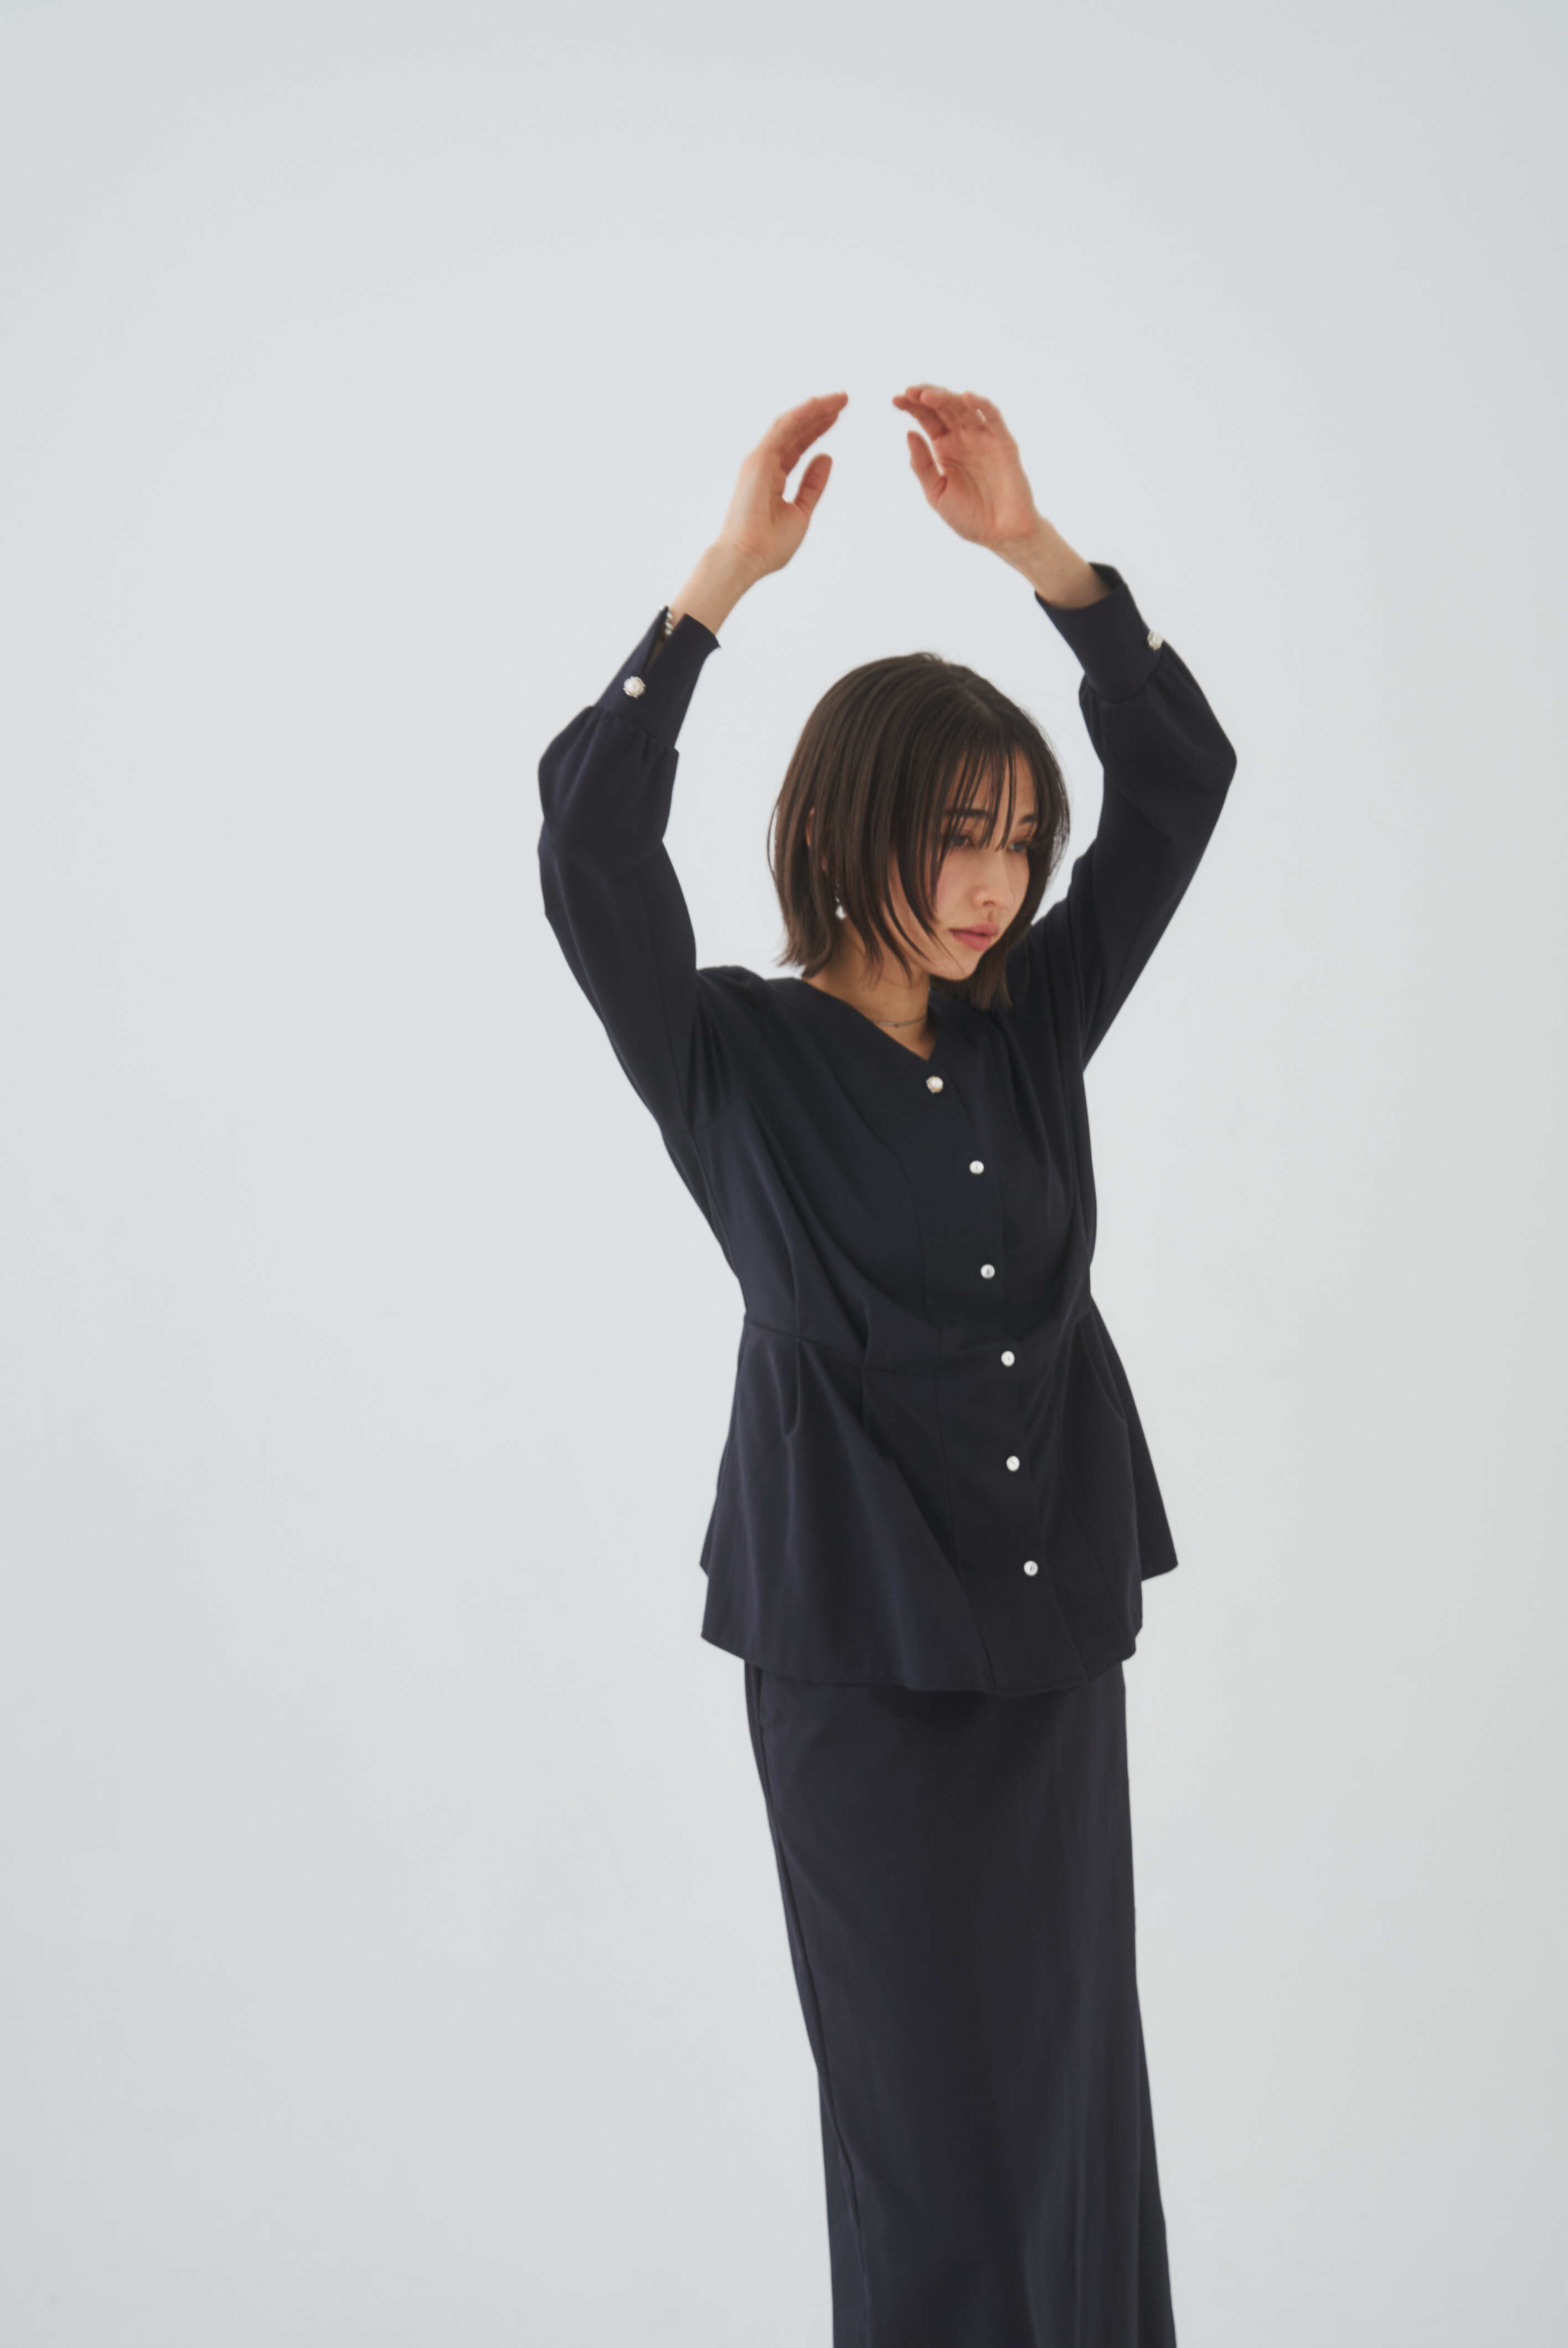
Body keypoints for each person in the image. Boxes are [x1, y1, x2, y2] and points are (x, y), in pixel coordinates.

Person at [537, 386, 1238, 2346]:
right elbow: (587, 842)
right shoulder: (729, 1060)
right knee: (928, 2141)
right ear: (858, 826)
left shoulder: (1030, 1026)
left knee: (1072, 2114)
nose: (998, 883)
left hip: (1050, 1643)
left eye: (1019, 841)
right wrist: (717, 588)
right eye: (959, 836)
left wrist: (1040, 558)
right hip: (855, 1656)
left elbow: (1183, 779)